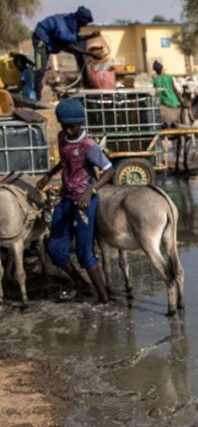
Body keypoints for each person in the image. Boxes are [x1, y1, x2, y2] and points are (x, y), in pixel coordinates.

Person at [37, 99, 114, 303]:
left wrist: (91, 191)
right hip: (66, 199)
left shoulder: (89, 146)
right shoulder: (62, 138)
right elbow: (64, 161)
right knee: (54, 248)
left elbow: (109, 170)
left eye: (73, 126)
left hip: (84, 202)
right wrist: (49, 174)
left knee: (83, 253)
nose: (69, 131)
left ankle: (104, 298)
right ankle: (80, 282)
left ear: (81, 124)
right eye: (65, 126)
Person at [32, 6, 102, 101]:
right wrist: (90, 54)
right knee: (40, 68)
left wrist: (90, 36)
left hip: (52, 39)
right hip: (41, 39)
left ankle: (87, 84)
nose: (84, 25)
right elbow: (69, 47)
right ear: (81, 20)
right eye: (85, 23)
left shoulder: (72, 21)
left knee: (80, 53)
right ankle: (36, 96)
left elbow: (73, 38)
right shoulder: (63, 28)